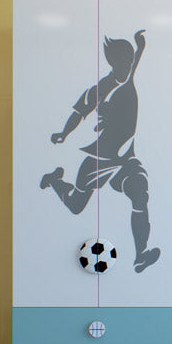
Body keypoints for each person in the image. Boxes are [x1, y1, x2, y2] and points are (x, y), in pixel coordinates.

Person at [41, 30, 160, 273]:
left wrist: (141, 47)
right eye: (123, 61)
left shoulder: (129, 77)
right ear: (113, 62)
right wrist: (64, 133)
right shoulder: (103, 87)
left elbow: (136, 60)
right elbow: (79, 112)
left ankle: (140, 256)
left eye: (130, 60)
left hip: (126, 158)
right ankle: (54, 180)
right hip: (100, 159)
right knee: (76, 206)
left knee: (140, 195)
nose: (128, 65)